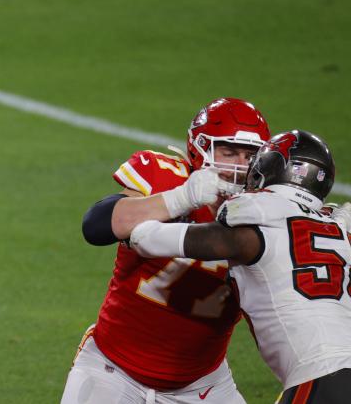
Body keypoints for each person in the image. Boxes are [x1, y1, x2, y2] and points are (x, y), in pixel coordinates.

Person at [61, 98, 271, 404]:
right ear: (200, 150)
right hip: (113, 370)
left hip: (204, 384)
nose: (239, 165)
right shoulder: (166, 178)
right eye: (228, 152)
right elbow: (96, 227)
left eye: (249, 155)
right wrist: (179, 199)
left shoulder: (269, 211)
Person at [129, 130, 351, 403]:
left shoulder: (252, 232)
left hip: (322, 378)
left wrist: (175, 203)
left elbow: (144, 238)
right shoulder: (340, 230)